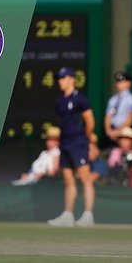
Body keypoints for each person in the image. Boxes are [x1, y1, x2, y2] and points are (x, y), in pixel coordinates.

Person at [47, 67, 97, 227]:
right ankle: (68, 215)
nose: (60, 82)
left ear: (72, 79)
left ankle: (88, 216)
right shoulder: (59, 101)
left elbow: (90, 121)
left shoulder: (80, 99)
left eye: (63, 78)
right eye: (59, 79)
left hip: (78, 143)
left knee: (85, 178)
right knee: (68, 180)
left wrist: (88, 141)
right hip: (65, 144)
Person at [103, 71, 132, 143]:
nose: (118, 84)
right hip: (112, 131)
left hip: (124, 132)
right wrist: (108, 131)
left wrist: (117, 132)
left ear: (128, 83)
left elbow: (130, 119)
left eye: (122, 82)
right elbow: (108, 116)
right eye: (118, 81)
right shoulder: (113, 99)